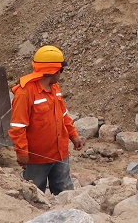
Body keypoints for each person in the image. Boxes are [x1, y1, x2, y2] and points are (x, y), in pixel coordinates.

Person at [9, 45, 84, 195]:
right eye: (61, 70)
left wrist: (73, 135)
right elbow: (18, 126)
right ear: (54, 70)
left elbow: (63, 115)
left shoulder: (55, 88)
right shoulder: (25, 93)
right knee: (34, 194)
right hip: (37, 159)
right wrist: (22, 152)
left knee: (65, 193)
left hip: (60, 154)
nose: (61, 74)